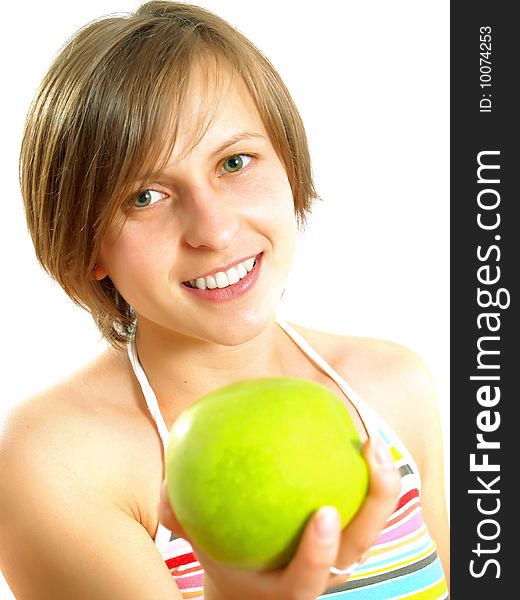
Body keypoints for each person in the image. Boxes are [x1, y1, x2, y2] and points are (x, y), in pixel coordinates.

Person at [0, 2, 449, 598]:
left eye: (235, 162)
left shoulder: (392, 388)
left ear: (287, 165)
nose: (212, 229)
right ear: (88, 246)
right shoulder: (58, 461)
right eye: (144, 196)